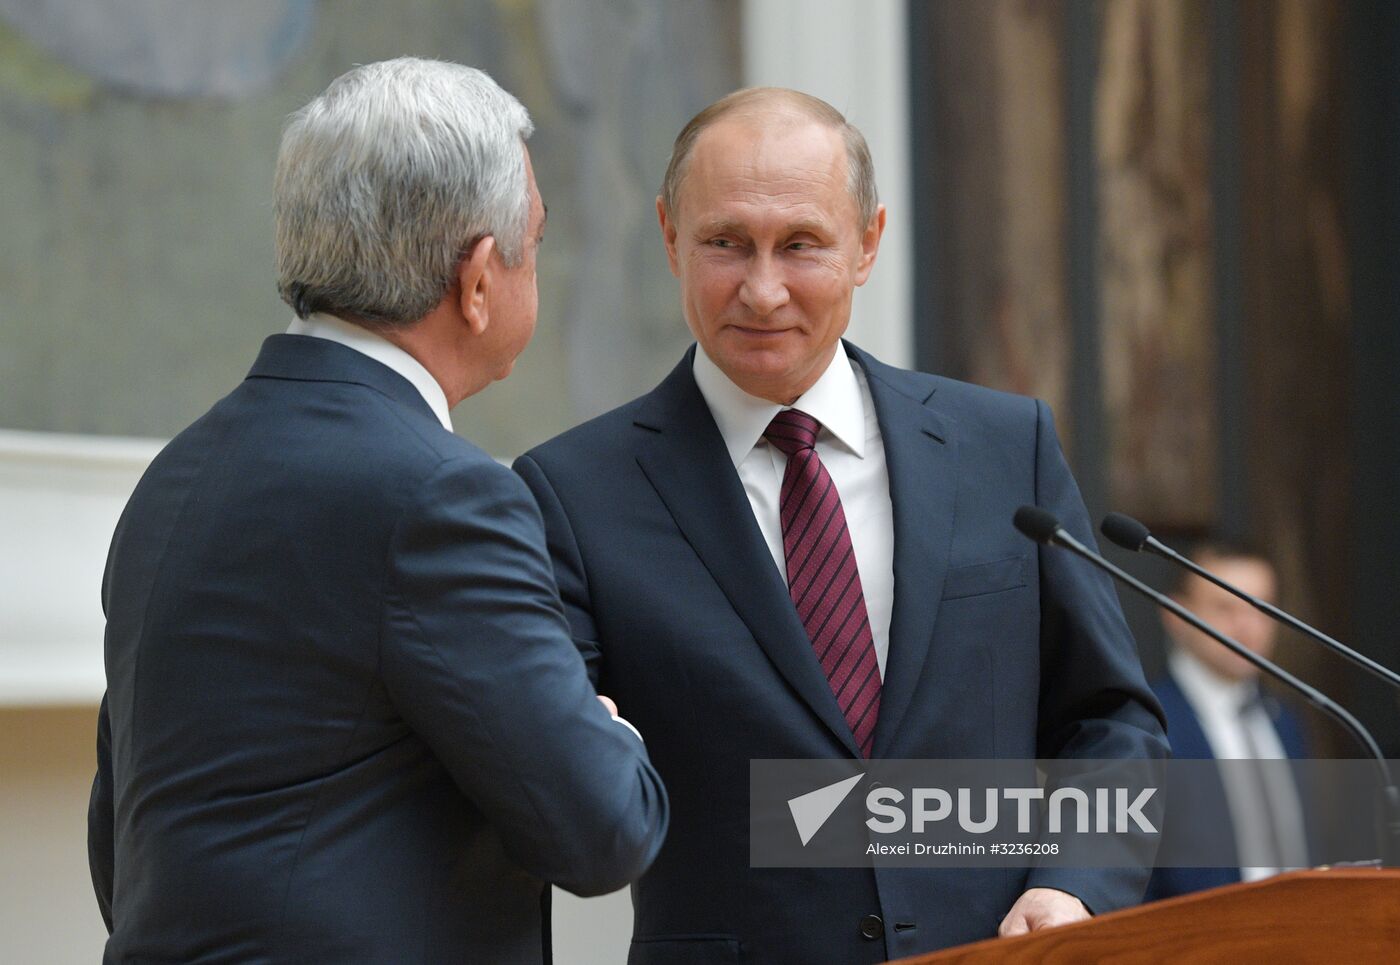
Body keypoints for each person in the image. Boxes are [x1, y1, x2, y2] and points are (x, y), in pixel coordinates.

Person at [513, 87, 1167, 963]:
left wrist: (1071, 881)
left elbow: (1114, 724)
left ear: (868, 242)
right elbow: (568, 788)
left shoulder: (1006, 450)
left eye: (802, 244)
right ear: (670, 237)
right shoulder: (570, 492)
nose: (763, 288)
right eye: (725, 243)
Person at [87, 58, 667, 964]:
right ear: (478, 280)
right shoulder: (444, 495)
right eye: (537, 241)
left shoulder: (177, 476)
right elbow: (602, 830)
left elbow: (122, 850)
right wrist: (604, 723)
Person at [1145, 542, 1310, 901]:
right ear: (1175, 614)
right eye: (1226, 608)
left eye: (1261, 608)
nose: (1247, 626)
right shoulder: (1144, 726)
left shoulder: (1285, 721)